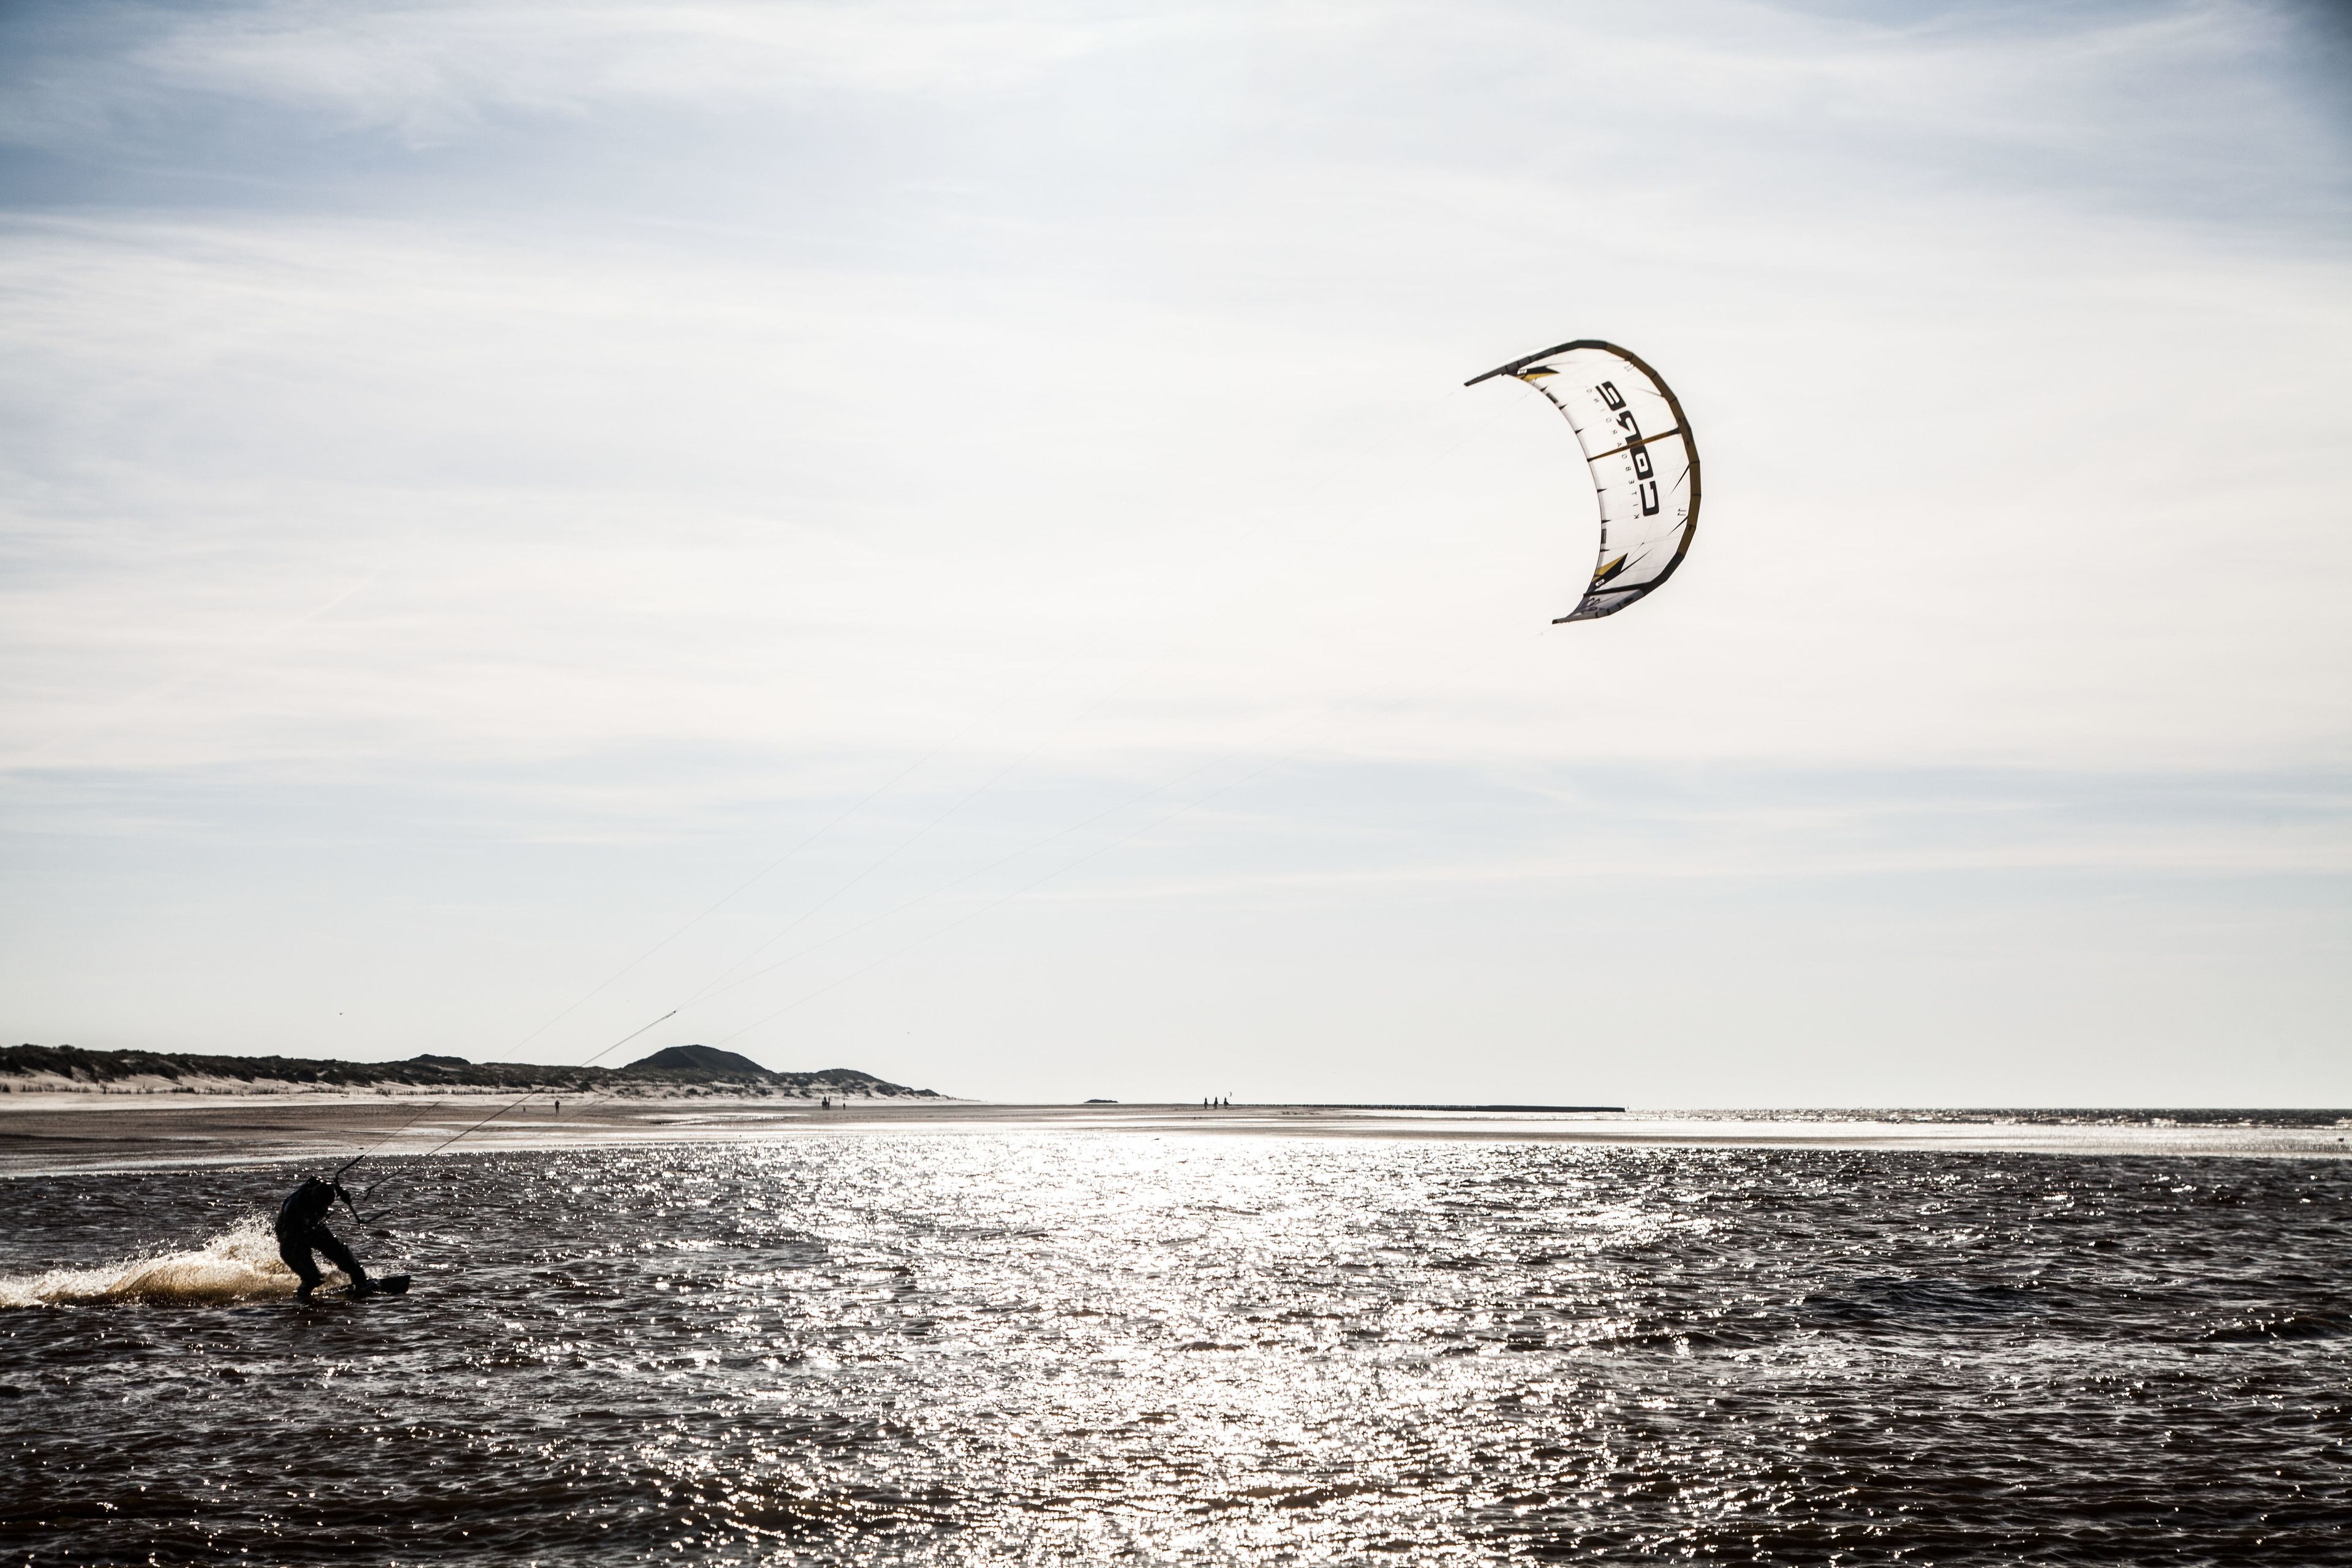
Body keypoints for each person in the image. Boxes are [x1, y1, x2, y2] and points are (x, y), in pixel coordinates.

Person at [275, 1173, 373, 1300]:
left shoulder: (318, 1185)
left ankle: (361, 1281)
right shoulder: (294, 1209)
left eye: (328, 1205)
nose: (325, 1208)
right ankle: (305, 1291)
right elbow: (286, 1250)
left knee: (344, 1257)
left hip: (314, 1228)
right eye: (322, 1205)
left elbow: (333, 1186)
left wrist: (343, 1193)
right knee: (311, 1275)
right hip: (292, 1235)